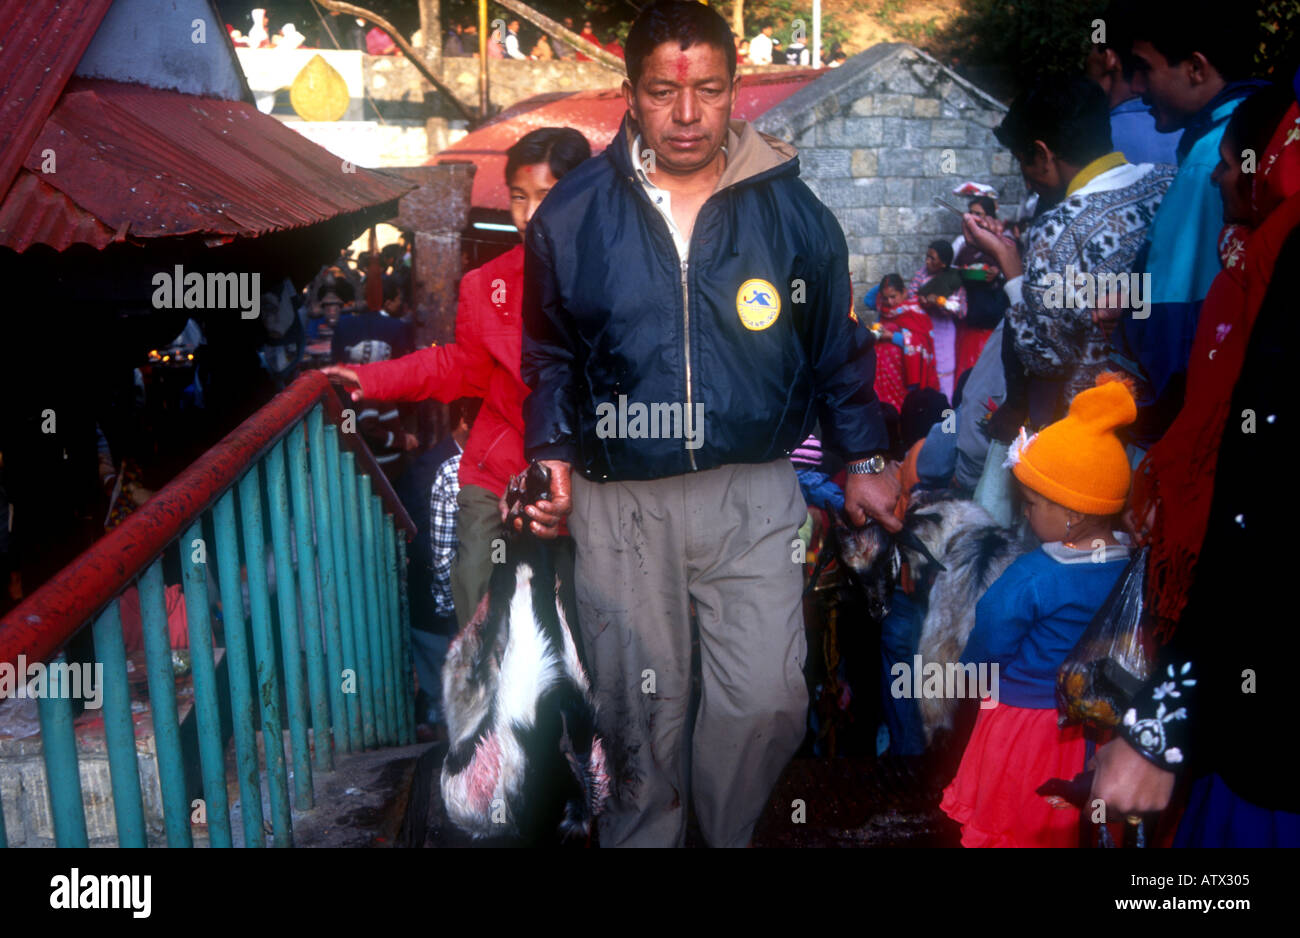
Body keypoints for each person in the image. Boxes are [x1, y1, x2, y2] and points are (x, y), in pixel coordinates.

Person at [517, 0, 901, 848]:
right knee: (637, 714)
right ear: (630, 91)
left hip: (754, 494)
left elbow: (836, 347)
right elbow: (548, 354)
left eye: (710, 92)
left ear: (738, 91)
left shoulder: (793, 214)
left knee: (768, 697)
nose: (686, 116)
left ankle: (724, 836)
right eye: (662, 93)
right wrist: (549, 454)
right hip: (621, 507)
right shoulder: (572, 215)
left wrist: (864, 452)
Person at [1090, 82, 1300, 847]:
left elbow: (1265, 502)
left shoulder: (1282, 258)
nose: (1215, 177)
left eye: (1228, 163)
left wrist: (1163, 725)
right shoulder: (1257, 262)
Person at [320, 128, 592, 630]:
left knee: (586, 625)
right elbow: (459, 367)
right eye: (518, 197)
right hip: (497, 472)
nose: (530, 215)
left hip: (588, 477)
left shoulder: (615, 282)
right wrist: (369, 378)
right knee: (481, 613)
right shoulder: (487, 285)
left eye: (547, 197)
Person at [941, 376, 1138, 847]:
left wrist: (971, 677)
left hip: (1026, 730)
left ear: (1072, 511)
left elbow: (991, 637)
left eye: (1032, 504)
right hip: (1099, 736)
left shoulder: (1033, 575)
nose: (1025, 514)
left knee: (1015, 827)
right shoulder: (1132, 569)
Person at [962, 75, 1173, 431]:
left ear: (1043, 154)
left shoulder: (1058, 226)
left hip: (1097, 430)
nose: (1028, 181)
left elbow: (1045, 357)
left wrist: (1010, 267)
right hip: (1163, 405)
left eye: (1023, 162)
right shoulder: (1168, 181)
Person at [1109, 0, 1265, 444]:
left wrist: (1151, 421)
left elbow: (1174, 316)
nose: (1137, 88)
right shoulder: (1252, 130)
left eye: (1144, 68)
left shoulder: (1208, 162)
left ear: (1196, 68)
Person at [408, 396, 481, 739]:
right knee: (449, 702)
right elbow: (426, 548)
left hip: (467, 600)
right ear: (465, 418)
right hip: (438, 611)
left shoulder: (482, 459)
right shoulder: (431, 468)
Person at [1084, 0, 1181, 166]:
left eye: (1090, 49)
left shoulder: (1089, 142)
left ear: (1108, 58)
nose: (1085, 60)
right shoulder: (1185, 127)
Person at [907, 240, 966, 402]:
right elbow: (910, 298)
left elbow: (962, 310)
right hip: (923, 329)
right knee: (925, 370)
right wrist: (921, 301)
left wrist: (941, 303)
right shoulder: (922, 274)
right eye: (927, 257)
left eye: (932, 259)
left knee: (944, 372)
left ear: (944, 263)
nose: (927, 261)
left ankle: (945, 413)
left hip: (943, 331)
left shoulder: (953, 279)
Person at [871, 273, 940, 412]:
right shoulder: (884, 310)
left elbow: (922, 344)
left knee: (904, 411)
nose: (889, 302)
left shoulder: (915, 312)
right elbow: (868, 299)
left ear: (904, 292)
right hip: (884, 376)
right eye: (885, 298)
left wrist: (891, 336)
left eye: (893, 296)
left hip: (905, 375)